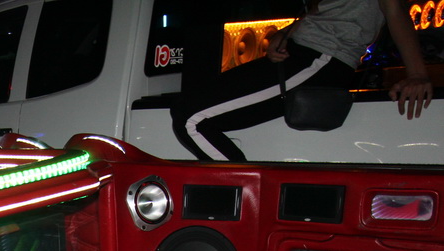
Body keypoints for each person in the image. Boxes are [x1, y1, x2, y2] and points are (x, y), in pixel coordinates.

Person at [171, 0, 433, 161]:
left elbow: (394, 8)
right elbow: (323, 10)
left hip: (323, 58)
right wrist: (286, 33)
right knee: (187, 107)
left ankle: (243, 202)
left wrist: (418, 74)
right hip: (302, 52)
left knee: (191, 117)